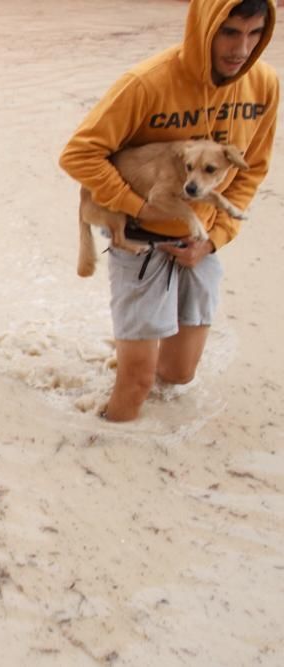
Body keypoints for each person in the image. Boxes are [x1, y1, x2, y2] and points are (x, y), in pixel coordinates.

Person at [59, 0, 278, 422]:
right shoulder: (147, 83)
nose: (241, 49)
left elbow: (254, 171)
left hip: (198, 243)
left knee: (178, 374)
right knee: (137, 386)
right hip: (140, 241)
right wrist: (136, 205)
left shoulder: (265, 85)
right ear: (204, 26)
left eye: (254, 34)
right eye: (230, 32)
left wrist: (214, 241)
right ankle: (99, 444)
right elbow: (79, 155)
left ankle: (130, 350)